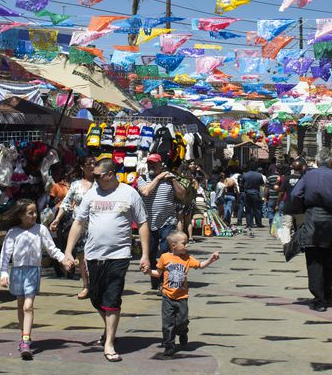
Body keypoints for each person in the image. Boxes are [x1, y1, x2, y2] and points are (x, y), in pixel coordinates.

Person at [62, 157, 150, 363]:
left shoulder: (129, 193)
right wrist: (68, 251)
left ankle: (109, 342)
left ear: (110, 174)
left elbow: (143, 224)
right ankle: (109, 327)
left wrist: (145, 255)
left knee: (112, 297)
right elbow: (78, 223)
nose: (94, 178)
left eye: (98, 176)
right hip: (93, 255)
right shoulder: (91, 194)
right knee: (95, 297)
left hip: (119, 255)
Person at [0, 199, 66, 361]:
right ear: (21, 215)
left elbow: (51, 248)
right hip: (17, 272)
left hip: (33, 272)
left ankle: (26, 340)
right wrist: (3, 273)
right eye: (30, 213)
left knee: (28, 306)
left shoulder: (41, 229)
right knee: (21, 305)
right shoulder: (13, 232)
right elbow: (5, 254)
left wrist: (64, 259)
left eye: (35, 212)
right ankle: (24, 335)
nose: (35, 215)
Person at [286, 151, 332, 312]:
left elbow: (295, 194)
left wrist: (301, 210)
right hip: (331, 220)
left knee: (314, 260)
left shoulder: (308, 176)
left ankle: (319, 299)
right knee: (328, 258)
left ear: (317, 161)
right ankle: (328, 294)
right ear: (330, 162)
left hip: (312, 218)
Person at [150, 231, 221, 359]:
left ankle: (183, 332)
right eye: (184, 243)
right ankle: (169, 346)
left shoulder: (187, 258)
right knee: (167, 324)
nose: (187, 246)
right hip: (167, 296)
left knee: (181, 322)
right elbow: (158, 273)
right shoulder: (165, 257)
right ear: (173, 246)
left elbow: (200, 265)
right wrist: (148, 271)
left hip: (182, 297)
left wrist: (211, 259)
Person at [137, 154, 186, 291]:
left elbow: (182, 194)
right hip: (148, 224)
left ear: (160, 165)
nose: (151, 166)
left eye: (154, 164)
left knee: (166, 252)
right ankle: (155, 280)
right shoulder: (143, 179)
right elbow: (146, 192)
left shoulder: (169, 180)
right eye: (149, 164)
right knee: (151, 254)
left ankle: (164, 282)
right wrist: (159, 178)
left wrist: (173, 180)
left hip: (167, 222)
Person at [50, 155, 96, 298]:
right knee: (82, 257)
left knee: (96, 257)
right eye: (89, 163)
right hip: (80, 227)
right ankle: (86, 286)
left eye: (94, 163)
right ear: (82, 167)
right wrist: (57, 219)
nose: (93, 166)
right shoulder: (76, 185)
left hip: (97, 226)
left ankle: (97, 284)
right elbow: (66, 203)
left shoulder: (101, 183)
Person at [240, 162, 265, 229]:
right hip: (256, 193)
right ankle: (259, 223)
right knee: (257, 209)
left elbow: (241, 184)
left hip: (247, 193)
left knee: (248, 209)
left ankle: (249, 223)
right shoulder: (259, 175)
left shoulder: (245, 175)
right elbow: (262, 184)